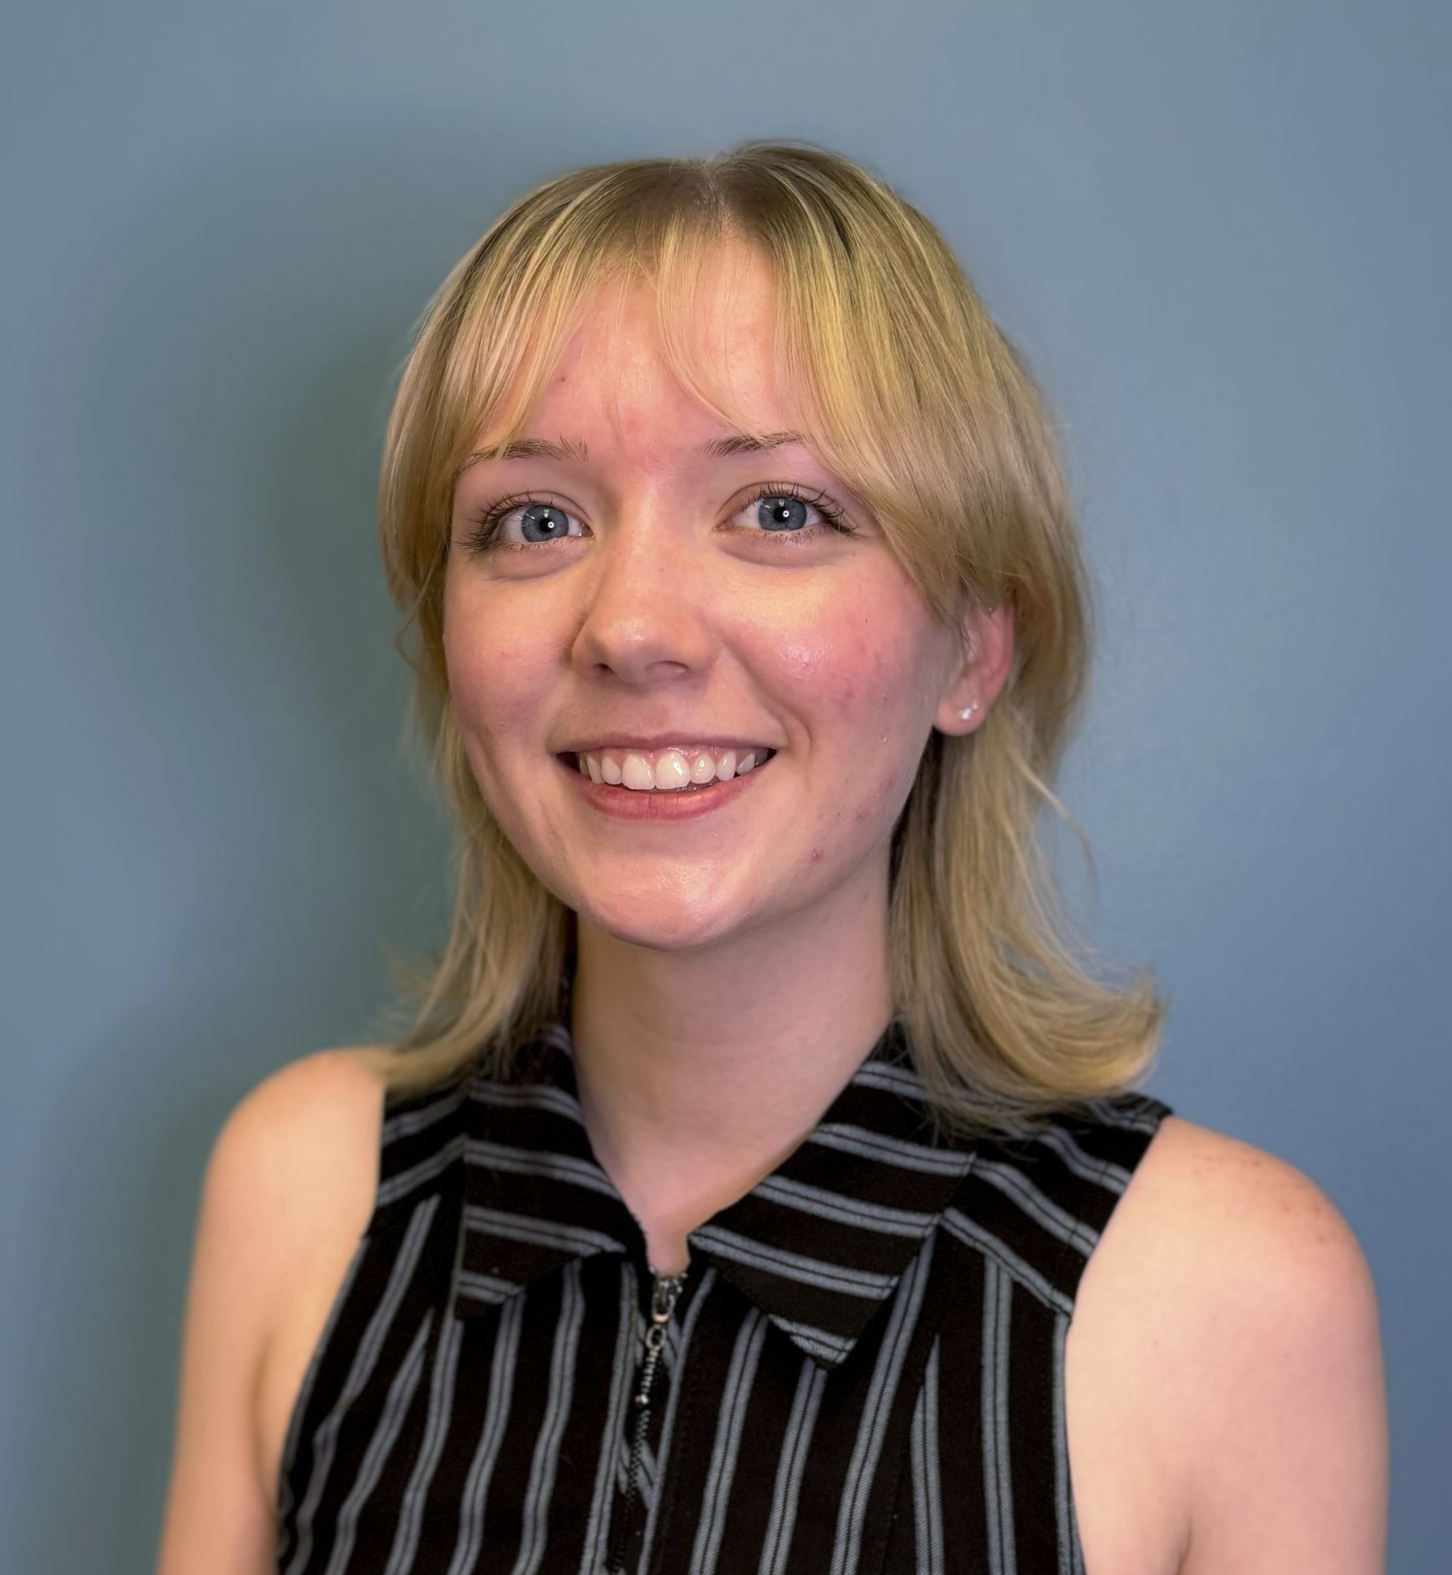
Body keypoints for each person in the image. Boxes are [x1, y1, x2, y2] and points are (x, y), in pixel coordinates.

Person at [154, 141, 1389, 1575]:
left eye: (781, 512)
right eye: (536, 520)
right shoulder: (304, 1193)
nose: (633, 627)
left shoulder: (1226, 1296)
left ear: (974, 648)